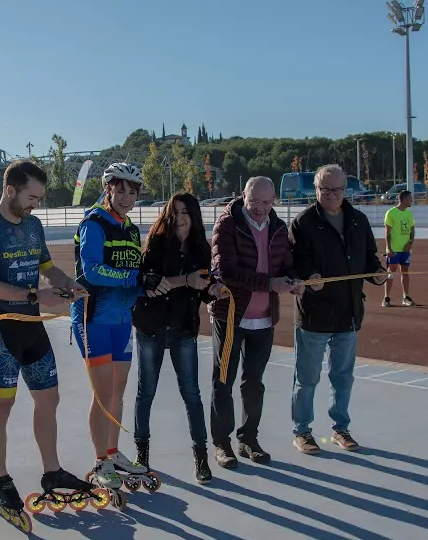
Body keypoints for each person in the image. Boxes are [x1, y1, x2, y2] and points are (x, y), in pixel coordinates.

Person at [0, 159, 93, 518]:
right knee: (2, 408)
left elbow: (46, 268)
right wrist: (37, 297)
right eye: (32, 197)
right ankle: (2, 480)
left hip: (32, 326)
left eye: (39, 198)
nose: (35, 204)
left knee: (49, 400)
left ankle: (52, 471)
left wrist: (66, 283)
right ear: (10, 190)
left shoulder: (34, 226)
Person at [289, 164, 388, 455]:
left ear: (346, 190)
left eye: (338, 190)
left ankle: (340, 429)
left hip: (348, 313)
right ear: (315, 190)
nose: (332, 195)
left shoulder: (358, 220)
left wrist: (377, 273)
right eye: (325, 190)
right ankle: (302, 431)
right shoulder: (303, 222)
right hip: (314, 314)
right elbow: (294, 261)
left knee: (343, 377)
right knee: (306, 379)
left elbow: (369, 258)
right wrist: (310, 275)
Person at [208, 176, 302, 470]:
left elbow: (287, 262)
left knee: (254, 383)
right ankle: (222, 444)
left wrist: (296, 278)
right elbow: (226, 271)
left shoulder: (278, 227)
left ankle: (248, 438)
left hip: (264, 320)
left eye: (266, 202)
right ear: (243, 196)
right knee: (223, 381)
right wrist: (271, 283)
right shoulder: (227, 224)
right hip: (230, 316)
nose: (260, 208)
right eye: (254, 202)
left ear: (274, 200)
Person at [131, 193, 223, 484]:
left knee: (192, 394)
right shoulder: (156, 245)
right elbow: (151, 284)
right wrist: (188, 279)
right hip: (151, 328)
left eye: (186, 212)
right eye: (175, 211)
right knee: (146, 392)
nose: (180, 217)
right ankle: (141, 457)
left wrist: (212, 289)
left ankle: (201, 457)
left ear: (194, 216)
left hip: (184, 329)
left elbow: (202, 289)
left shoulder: (201, 249)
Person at [71, 163, 150, 491]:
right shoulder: (95, 222)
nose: (127, 197)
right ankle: (100, 459)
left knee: (118, 390)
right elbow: (92, 271)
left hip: (121, 321)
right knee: (102, 393)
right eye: (120, 191)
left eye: (132, 192)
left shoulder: (131, 229)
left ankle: (113, 451)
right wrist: (135, 278)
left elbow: (135, 275)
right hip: (93, 319)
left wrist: (148, 282)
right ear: (108, 190)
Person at [382, 189, 416, 307]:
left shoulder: (409, 213)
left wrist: (410, 242)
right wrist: (388, 248)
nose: (412, 200)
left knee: (405, 272)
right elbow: (387, 232)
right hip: (394, 249)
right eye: (410, 198)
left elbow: (412, 230)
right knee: (391, 273)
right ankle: (386, 297)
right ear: (404, 199)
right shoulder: (391, 213)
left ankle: (405, 296)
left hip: (406, 249)